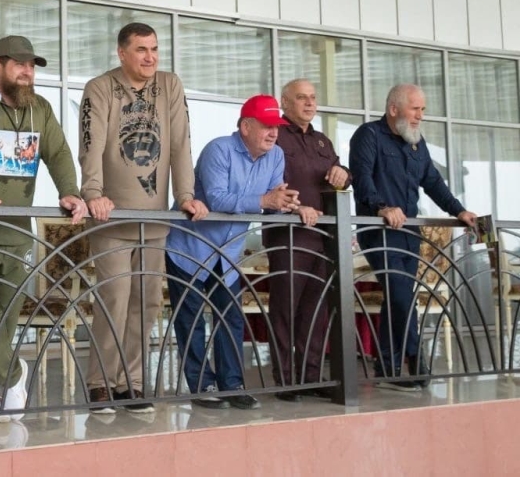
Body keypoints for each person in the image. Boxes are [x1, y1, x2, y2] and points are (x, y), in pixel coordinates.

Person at [0, 35, 88, 422]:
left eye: (32, 66)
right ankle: (14, 373)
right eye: (19, 64)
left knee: (6, 319)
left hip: (19, 232)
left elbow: (58, 153)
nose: (28, 72)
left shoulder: (39, 108)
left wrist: (70, 191)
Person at [79, 22, 208, 414]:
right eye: (141, 49)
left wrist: (186, 195)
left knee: (147, 302)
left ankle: (131, 383)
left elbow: (181, 143)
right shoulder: (100, 88)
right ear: (122, 53)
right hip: (111, 218)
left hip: (154, 220)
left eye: (154, 49)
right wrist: (93, 193)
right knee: (115, 299)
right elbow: (91, 144)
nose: (150, 57)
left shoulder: (170, 85)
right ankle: (101, 382)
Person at [165, 95, 298, 411]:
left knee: (230, 318)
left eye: (276, 127)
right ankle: (202, 386)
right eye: (266, 126)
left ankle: (232, 385)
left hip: (228, 252)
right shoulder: (219, 149)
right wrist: (265, 201)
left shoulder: (276, 156)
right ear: (246, 126)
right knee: (191, 320)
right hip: (190, 247)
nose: (273, 133)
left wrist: (290, 205)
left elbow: (272, 202)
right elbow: (216, 199)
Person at [349, 84, 476, 391]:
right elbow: (362, 179)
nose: (420, 115)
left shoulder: (417, 142)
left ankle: (389, 367)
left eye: (423, 110)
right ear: (394, 109)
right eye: (415, 109)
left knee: (401, 296)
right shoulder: (369, 135)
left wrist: (459, 211)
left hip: (409, 234)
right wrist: (382, 207)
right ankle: (415, 360)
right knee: (400, 294)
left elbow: (433, 182)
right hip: (379, 231)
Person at [263, 79, 350, 402]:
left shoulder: (322, 140)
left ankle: (311, 377)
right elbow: (267, 182)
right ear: (285, 102)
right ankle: (286, 380)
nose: (310, 103)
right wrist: (295, 207)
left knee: (316, 312)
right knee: (285, 309)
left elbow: (339, 175)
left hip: (323, 237)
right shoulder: (275, 136)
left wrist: (344, 173)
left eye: (313, 97)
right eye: (302, 98)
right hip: (288, 234)